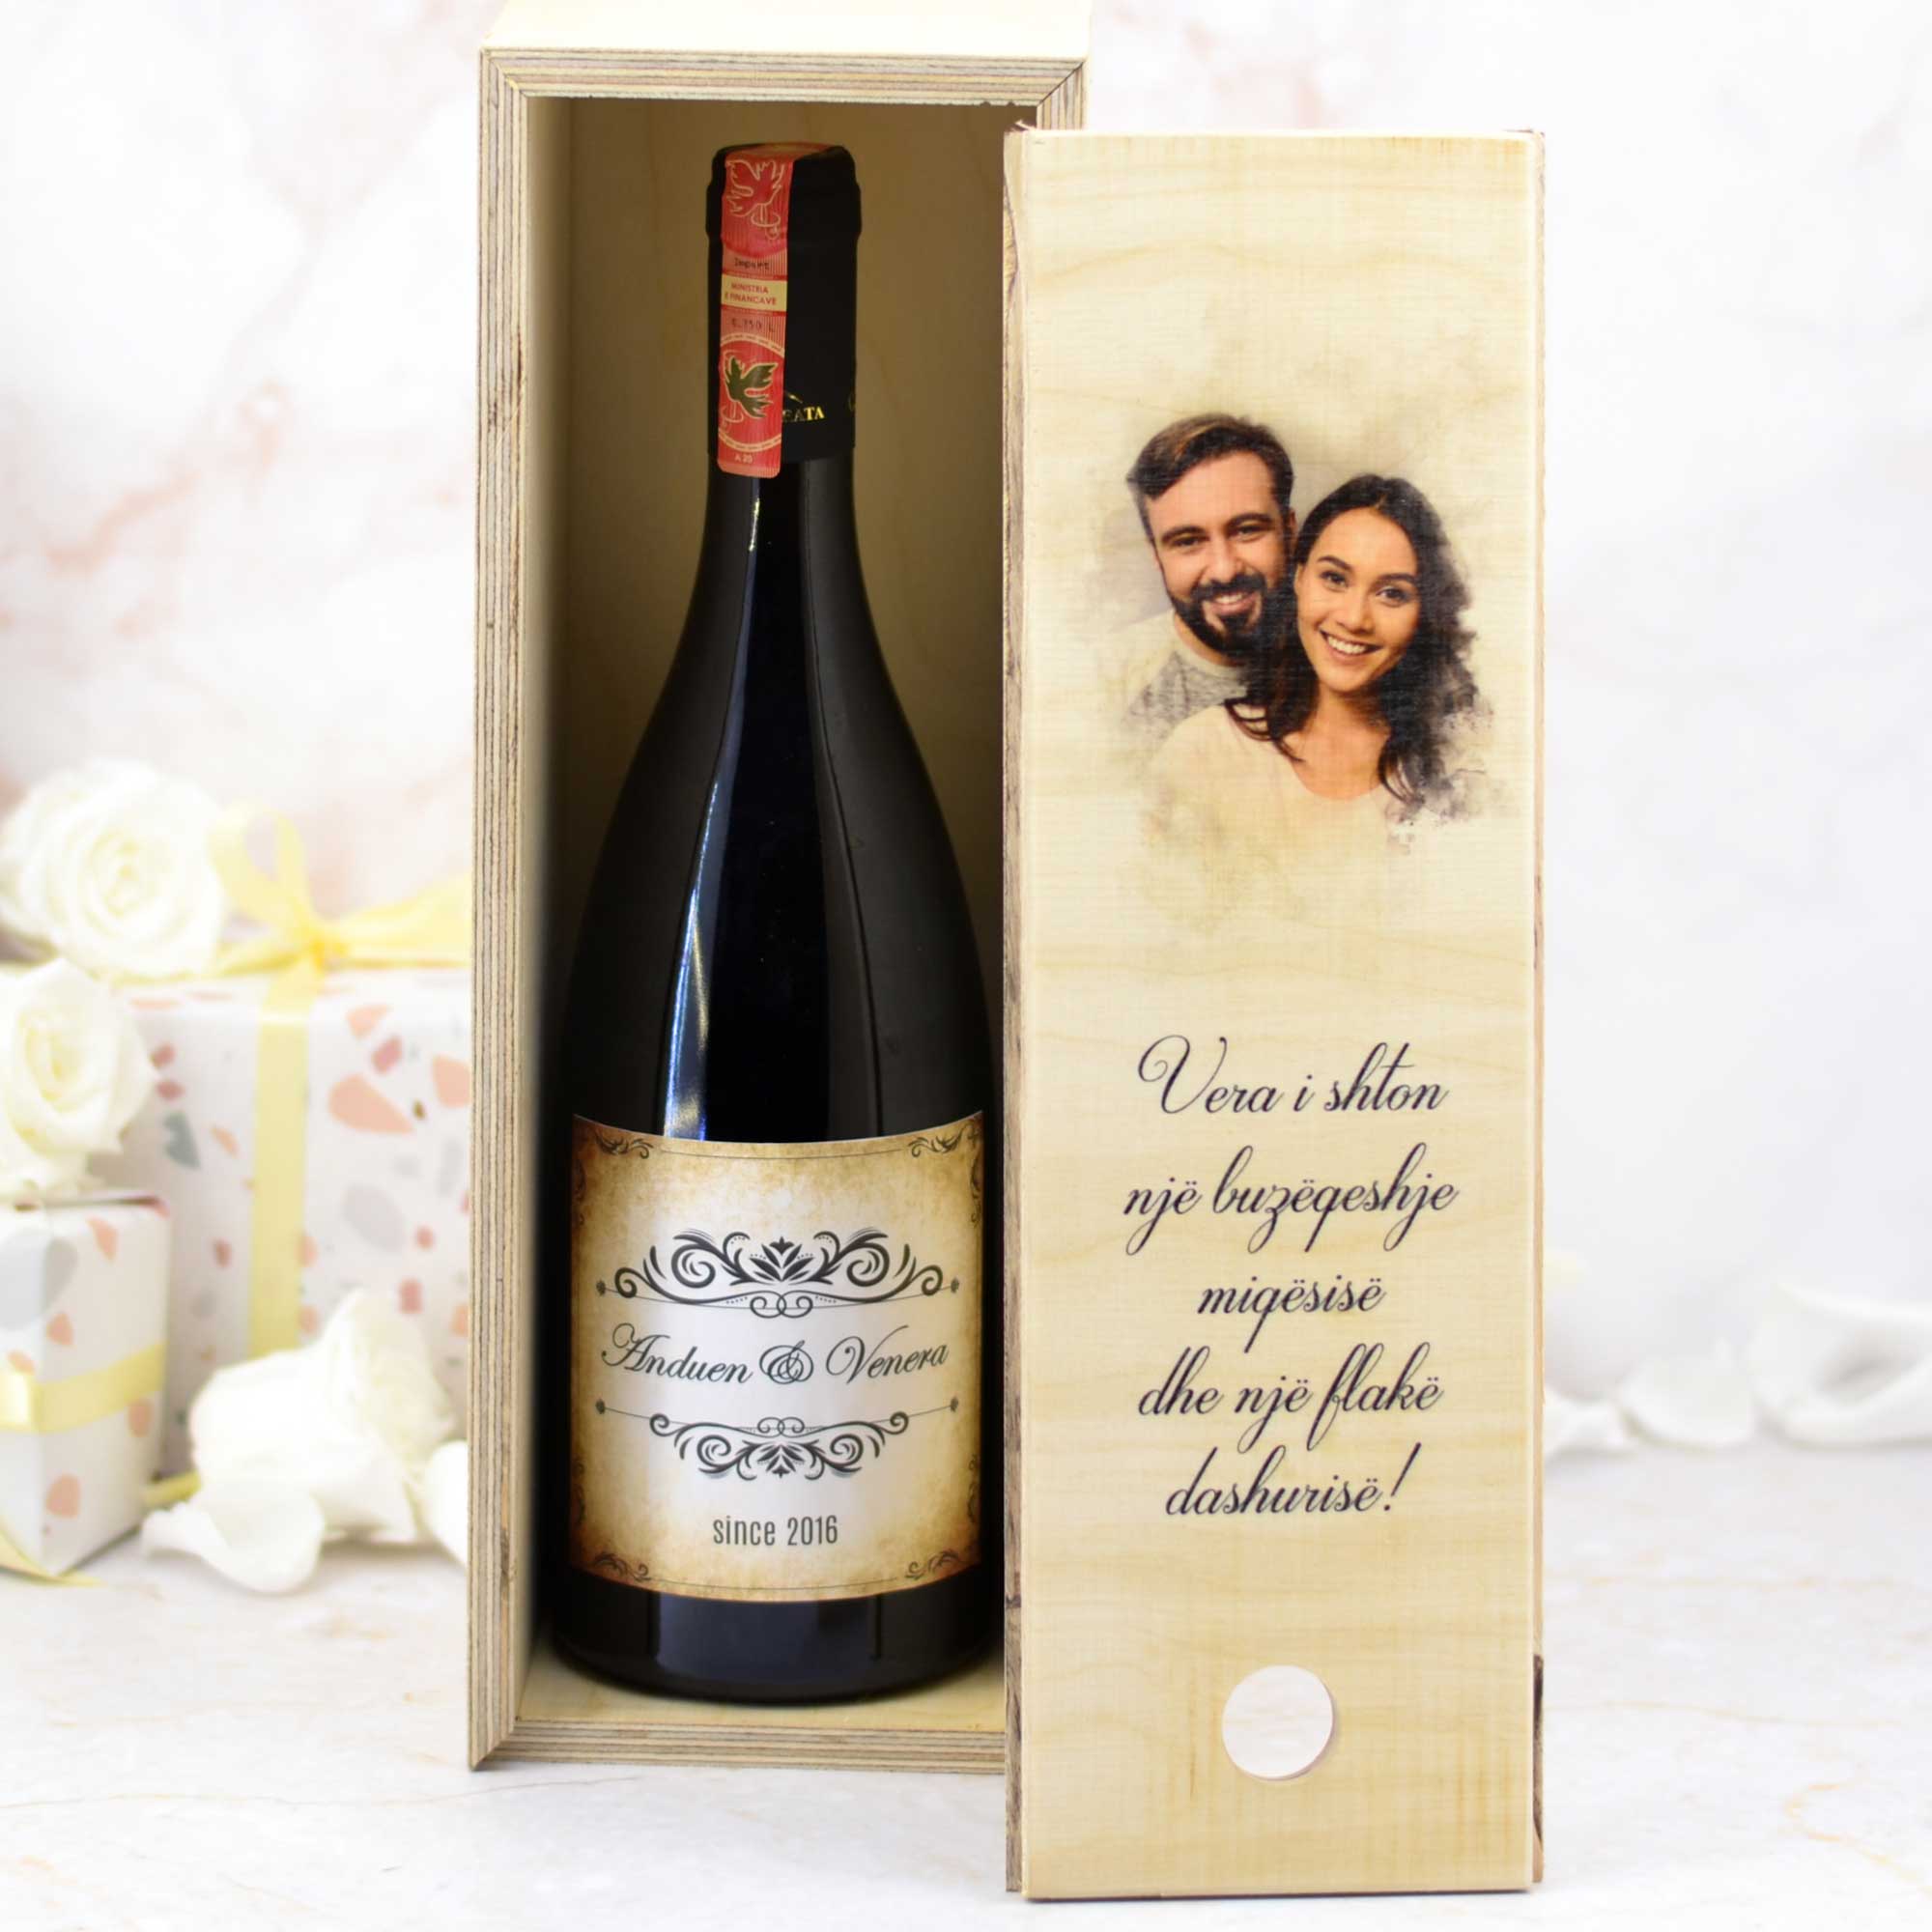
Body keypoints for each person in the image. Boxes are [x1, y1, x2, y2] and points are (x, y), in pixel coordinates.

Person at [1150, 474, 1481, 857]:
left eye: (1392, 593)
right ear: (1299, 578)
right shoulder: (1201, 753)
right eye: (1334, 578)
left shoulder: (1462, 777)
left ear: (1423, 613)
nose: (1354, 619)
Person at [1120, 414, 1296, 745]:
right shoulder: (1103, 689)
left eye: (1246, 530)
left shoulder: (1349, 655)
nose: (1224, 570)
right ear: (1156, 555)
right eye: (1188, 541)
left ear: (1290, 531)